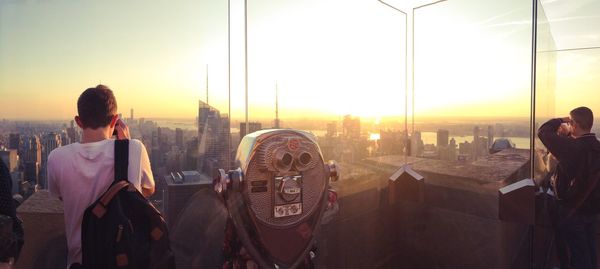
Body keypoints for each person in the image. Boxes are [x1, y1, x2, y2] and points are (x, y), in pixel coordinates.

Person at [47, 85, 155, 269]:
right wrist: (125, 145)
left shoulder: (56, 158)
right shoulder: (134, 149)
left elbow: (61, 196)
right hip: (122, 260)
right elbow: (148, 190)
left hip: (79, 263)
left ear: (79, 122)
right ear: (115, 120)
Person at [538, 106, 600, 269]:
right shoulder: (596, 146)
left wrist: (561, 120)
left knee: (578, 253)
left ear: (574, 124)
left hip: (573, 209)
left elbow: (543, 131)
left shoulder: (570, 147)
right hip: (593, 208)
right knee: (591, 249)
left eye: (571, 122)